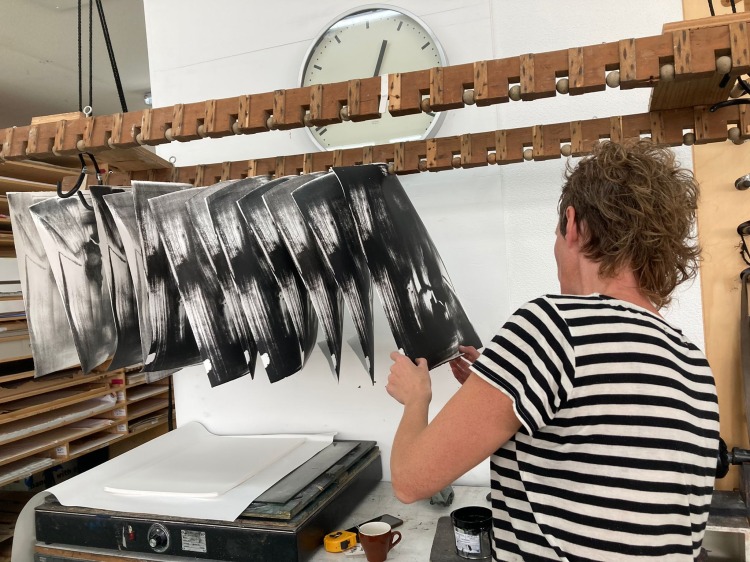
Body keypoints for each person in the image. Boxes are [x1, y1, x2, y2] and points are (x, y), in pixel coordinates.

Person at [386, 140, 720, 561]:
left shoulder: (553, 326)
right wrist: (507, 384)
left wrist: (416, 398)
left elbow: (410, 481)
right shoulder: (693, 365)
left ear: (574, 224)